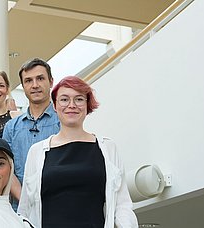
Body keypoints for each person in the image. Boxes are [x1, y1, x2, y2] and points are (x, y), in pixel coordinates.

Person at [18, 76, 138, 227]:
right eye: (64, 99)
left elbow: (122, 205)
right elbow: (25, 209)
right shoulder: (37, 152)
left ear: (88, 105)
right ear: (54, 105)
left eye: (79, 99)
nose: (71, 105)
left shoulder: (107, 148)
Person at [2, 58, 61, 188]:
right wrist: (24, 202)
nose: (35, 85)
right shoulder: (11, 127)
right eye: (28, 80)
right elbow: (6, 170)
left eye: (40, 78)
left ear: (51, 82)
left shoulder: (63, 122)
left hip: (56, 202)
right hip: (19, 206)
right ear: (23, 86)